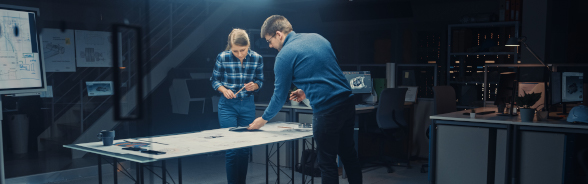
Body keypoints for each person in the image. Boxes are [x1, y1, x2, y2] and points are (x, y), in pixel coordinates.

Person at [248, 15, 362, 184]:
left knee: (327, 163)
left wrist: (263, 119)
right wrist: (306, 91)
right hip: (347, 102)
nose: (270, 45)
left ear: (279, 34)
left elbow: (279, 96)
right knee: (349, 156)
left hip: (327, 111)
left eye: (269, 40)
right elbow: (326, 75)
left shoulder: (284, 56)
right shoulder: (318, 38)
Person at [210, 28, 263, 184]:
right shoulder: (222, 57)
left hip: (247, 105)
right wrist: (224, 90)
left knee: (244, 149)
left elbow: (260, 80)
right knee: (232, 150)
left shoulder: (257, 58)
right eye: (235, 51)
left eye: (243, 50)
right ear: (230, 47)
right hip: (227, 106)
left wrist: (255, 86)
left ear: (248, 45)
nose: (240, 54)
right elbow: (214, 80)